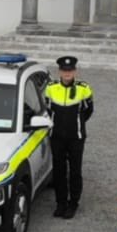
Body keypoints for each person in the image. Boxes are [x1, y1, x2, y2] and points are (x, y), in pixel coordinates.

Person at [43, 55, 94, 220]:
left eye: (70, 70)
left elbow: (88, 111)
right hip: (56, 137)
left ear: (75, 71)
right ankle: (61, 203)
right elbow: (48, 109)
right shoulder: (50, 87)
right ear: (59, 71)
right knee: (58, 170)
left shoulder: (84, 88)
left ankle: (73, 203)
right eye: (64, 71)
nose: (67, 73)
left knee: (75, 171)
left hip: (76, 137)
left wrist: (76, 123)